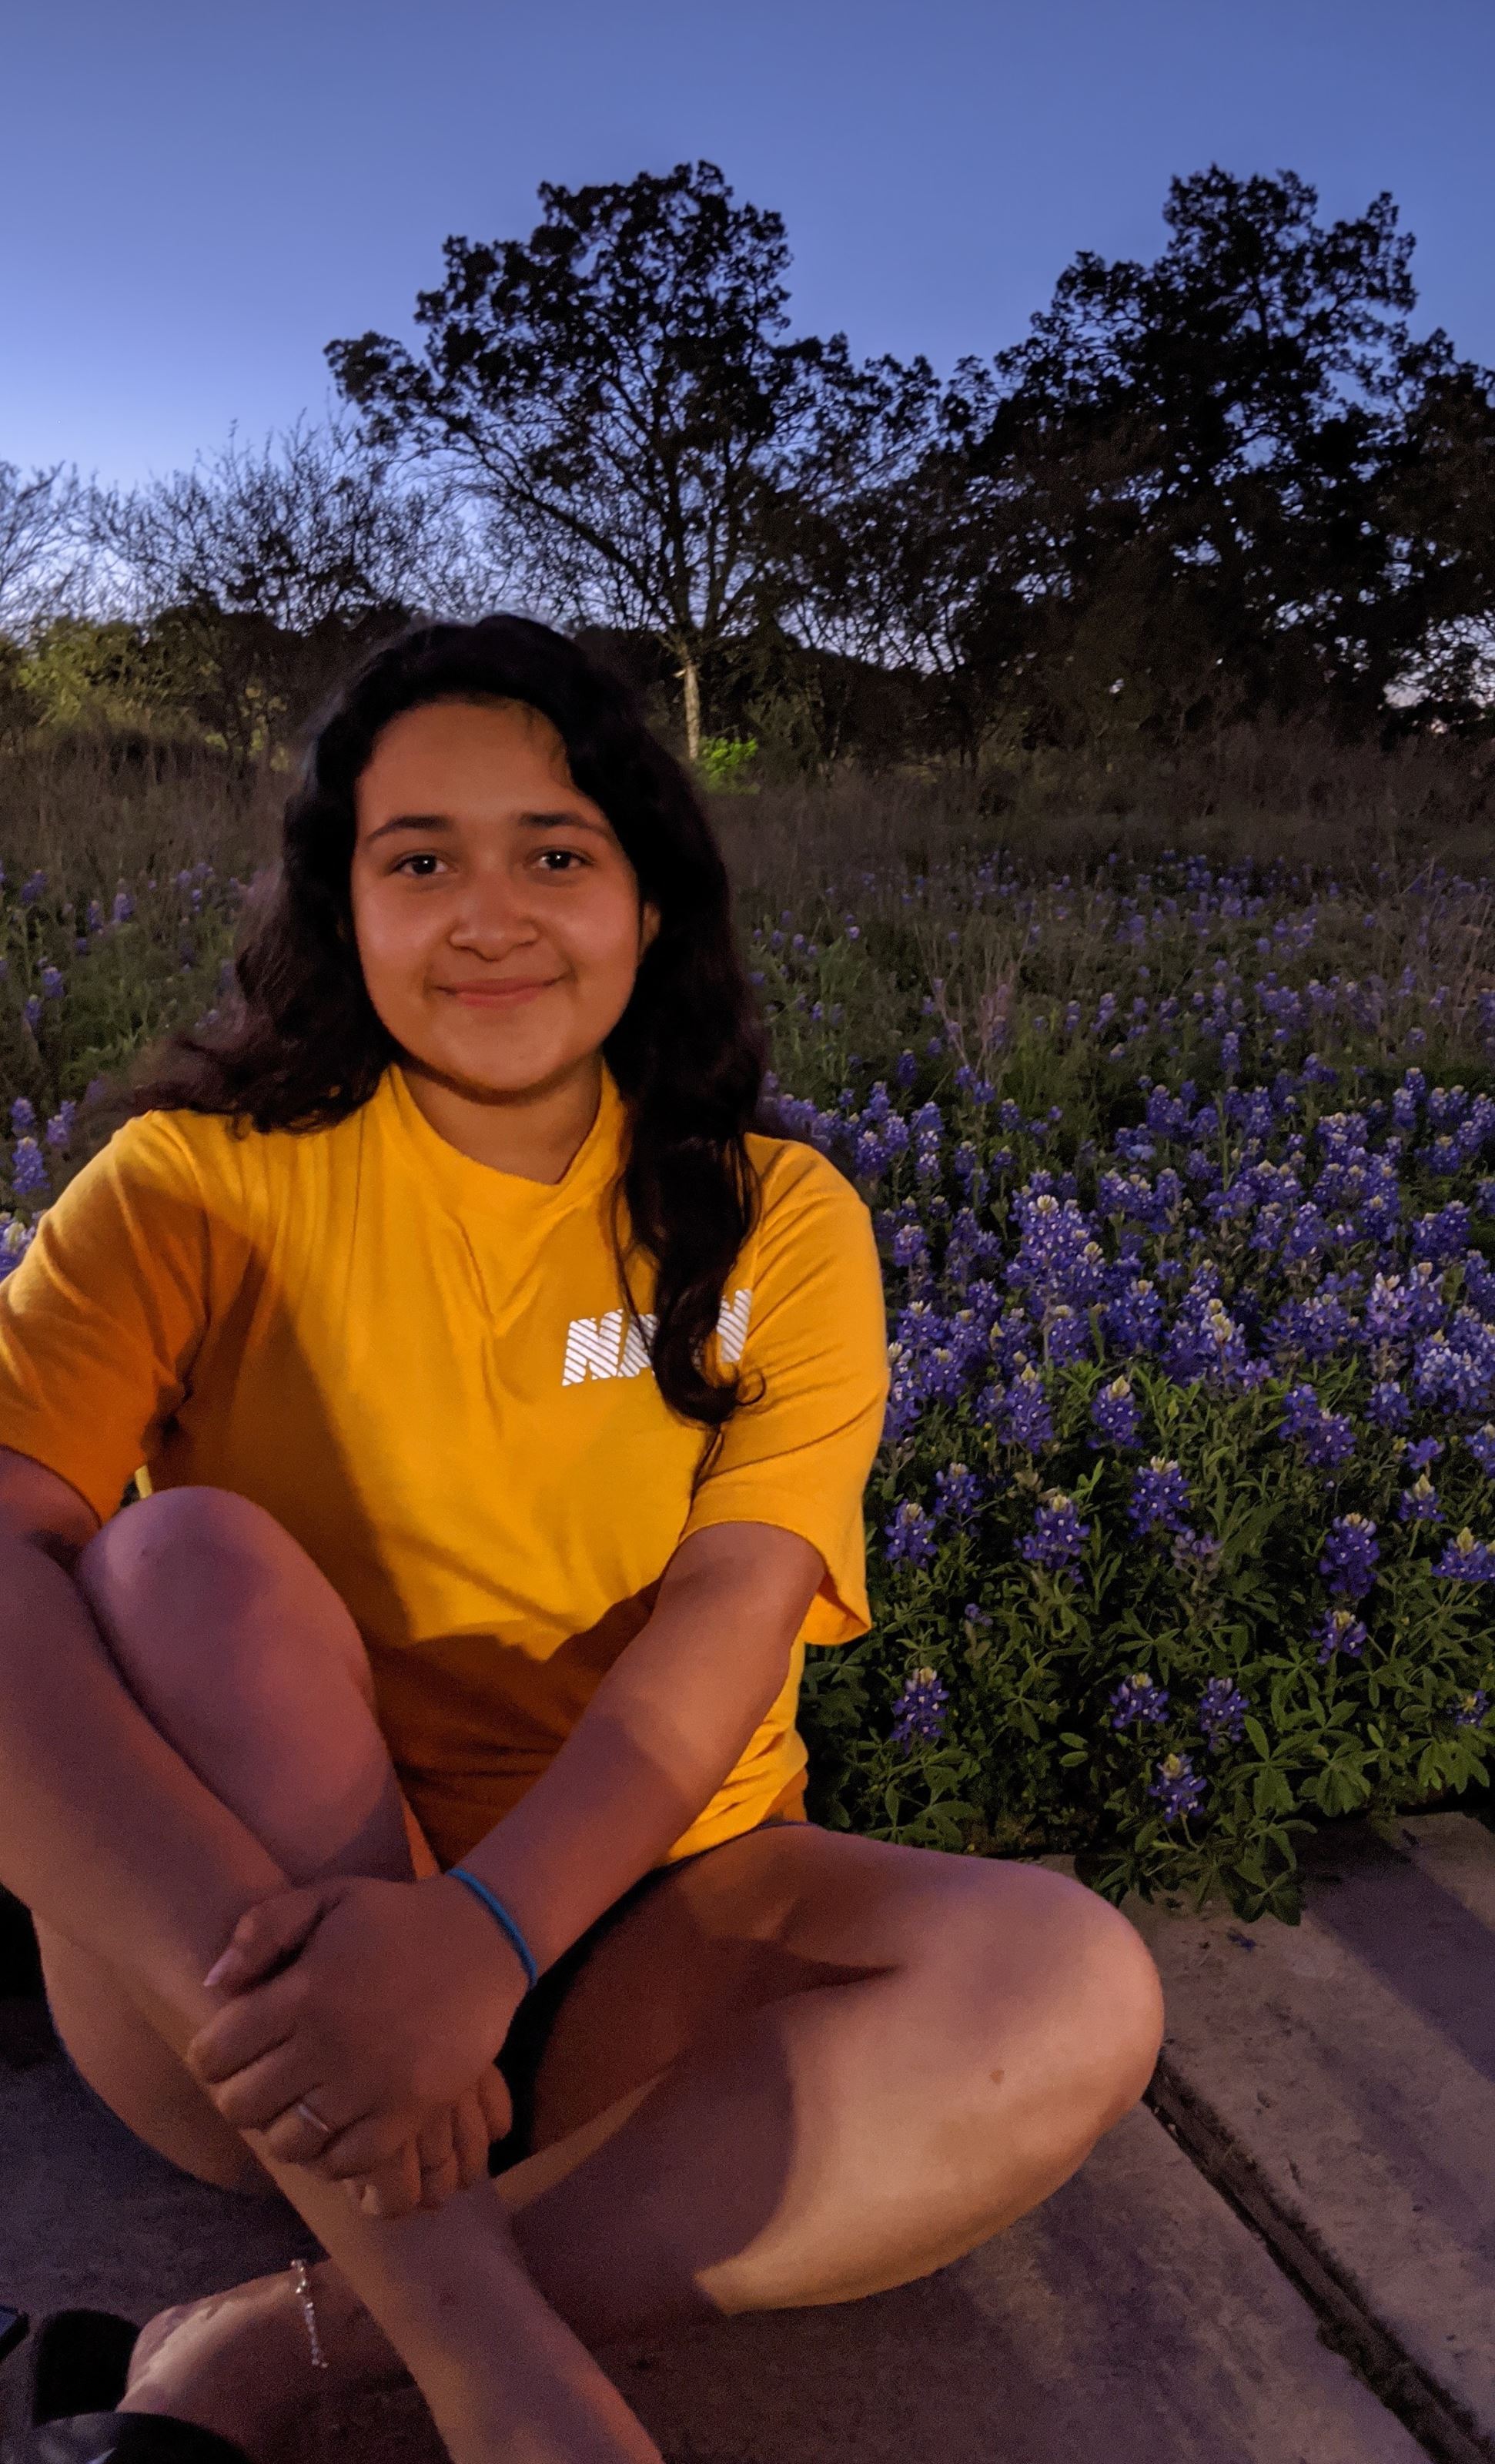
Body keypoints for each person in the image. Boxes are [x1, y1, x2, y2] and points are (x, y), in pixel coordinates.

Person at [0, 615, 1163, 2464]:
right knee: (174, 1565)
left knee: (1070, 1985)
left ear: (650, 898)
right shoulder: (190, 1188)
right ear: (337, 906)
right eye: (418, 861)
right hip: (250, 1967)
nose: (489, 916)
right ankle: (498, 2368)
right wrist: (368, 1966)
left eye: (553, 852)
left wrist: (478, 1938)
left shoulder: (775, 1217)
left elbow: (731, 1609)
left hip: (637, 1938)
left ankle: (267, 2346)